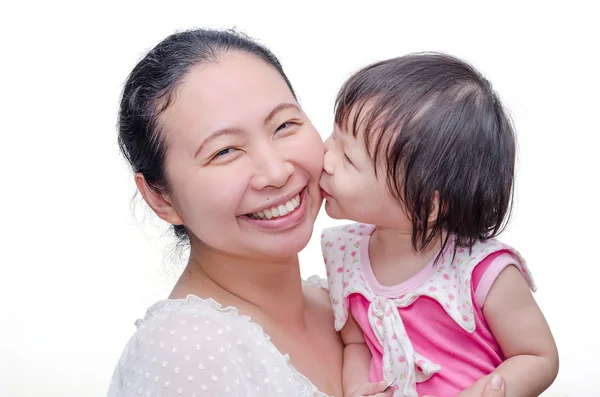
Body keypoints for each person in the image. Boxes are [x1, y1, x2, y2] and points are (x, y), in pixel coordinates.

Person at [107, 28, 512, 397]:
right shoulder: (185, 348)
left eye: (283, 125)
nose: (276, 171)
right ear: (161, 198)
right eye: (224, 151)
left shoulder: (353, 302)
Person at [319, 53, 559, 397]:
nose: (325, 160)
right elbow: (356, 341)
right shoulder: (345, 254)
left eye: (347, 159)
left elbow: (538, 356)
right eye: (334, 136)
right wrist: (357, 387)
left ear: (427, 204)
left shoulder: (482, 272)